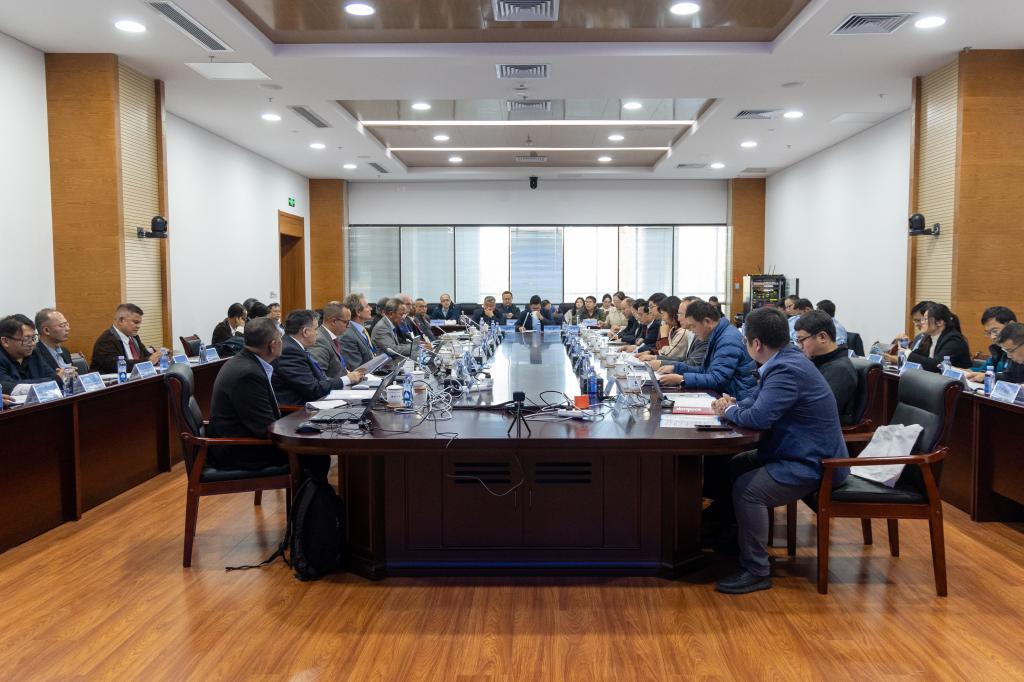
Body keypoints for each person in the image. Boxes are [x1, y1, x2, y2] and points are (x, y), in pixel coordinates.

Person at [711, 306, 848, 594]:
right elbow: (756, 402)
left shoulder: (786, 369)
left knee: (748, 491)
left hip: (813, 462)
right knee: (735, 465)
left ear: (756, 343)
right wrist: (734, 404)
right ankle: (729, 537)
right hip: (795, 450)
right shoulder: (785, 359)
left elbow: (758, 418)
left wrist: (730, 410)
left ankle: (757, 570)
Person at [655, 300, 757, 401]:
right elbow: (705, 370)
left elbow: (718, 379)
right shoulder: (717, 334)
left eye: (693, 326)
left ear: (707, 321)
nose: (692, 331)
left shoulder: (728, 339)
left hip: (738, 399)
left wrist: (682, 379)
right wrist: (676, 368)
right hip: (726, 394)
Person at [272, 309, 365, 406]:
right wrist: (347, 379)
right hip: (298, 410)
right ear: (305, 332)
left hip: (312, 403)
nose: (317, 333)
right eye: (316, 329)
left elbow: (319, 381)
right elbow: (313, 389)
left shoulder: (293, 346)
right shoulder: (289, 351)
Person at [795, 310, 858, 425]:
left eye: (801, 340)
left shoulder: (840, 370)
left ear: (822, 337)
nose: (799, 346)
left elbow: (818, 412)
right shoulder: (816, 362)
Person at [90, 303, 164, 374]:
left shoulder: (134, 337)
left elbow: (146, 355)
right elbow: (117, 365)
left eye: (140, 323)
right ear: (121, 320)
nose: (138, 326)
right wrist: (148, 361)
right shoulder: (106, 340)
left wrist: (158, 357)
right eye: (135, 322)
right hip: (111, 380)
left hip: (134, 379)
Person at [906, 302, 971, 372]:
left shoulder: (954, 340)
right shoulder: (929, 337)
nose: (922, 322)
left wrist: (908, 354)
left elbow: (936, 365)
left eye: (925, 319)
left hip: (955, 378)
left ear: (939, 322)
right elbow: (918, 355)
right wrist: (904, 350)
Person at [0, 315, 56, 393]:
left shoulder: (34, 353)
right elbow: (7, 386)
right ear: (5, 341)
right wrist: (52, 380)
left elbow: (52, 377)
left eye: (33, 338)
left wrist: (55, 379)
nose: (32, 344)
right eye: (26, 339)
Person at [964, 306, 1017, 382]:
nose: (992, 337)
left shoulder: (1020, 349)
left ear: (1011, 325)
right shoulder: (997, 348)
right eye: (988, 333)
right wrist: (966, 371)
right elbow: (984, 370)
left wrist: (988, 376)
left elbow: (1013, 377)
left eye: (995, 331)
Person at [309, 302, 357, 380]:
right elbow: (320, 377)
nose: (348, 326)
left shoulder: (333, 337)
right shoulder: (319, 340)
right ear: (333, 321)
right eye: (346, 322)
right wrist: (348, 380)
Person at [638, 296, 691, 364]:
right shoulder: (672, 329)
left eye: (663, 314)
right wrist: (651, 352)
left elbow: (667, 354)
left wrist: (664, 336)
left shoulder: (682, 332)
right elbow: (661, 349)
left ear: (671, 313)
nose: (662, 319)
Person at [32, 308, 73, 380]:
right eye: (62, 325)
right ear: (46, 330)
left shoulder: (65, 351)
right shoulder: (35, 354)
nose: (68, 328)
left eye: (67, 324)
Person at [340, 296, 377, 369]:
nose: (371, 308)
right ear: (358, 312)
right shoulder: (347, 336)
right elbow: (357, 368)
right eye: (367, 306)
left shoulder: (363, 330)